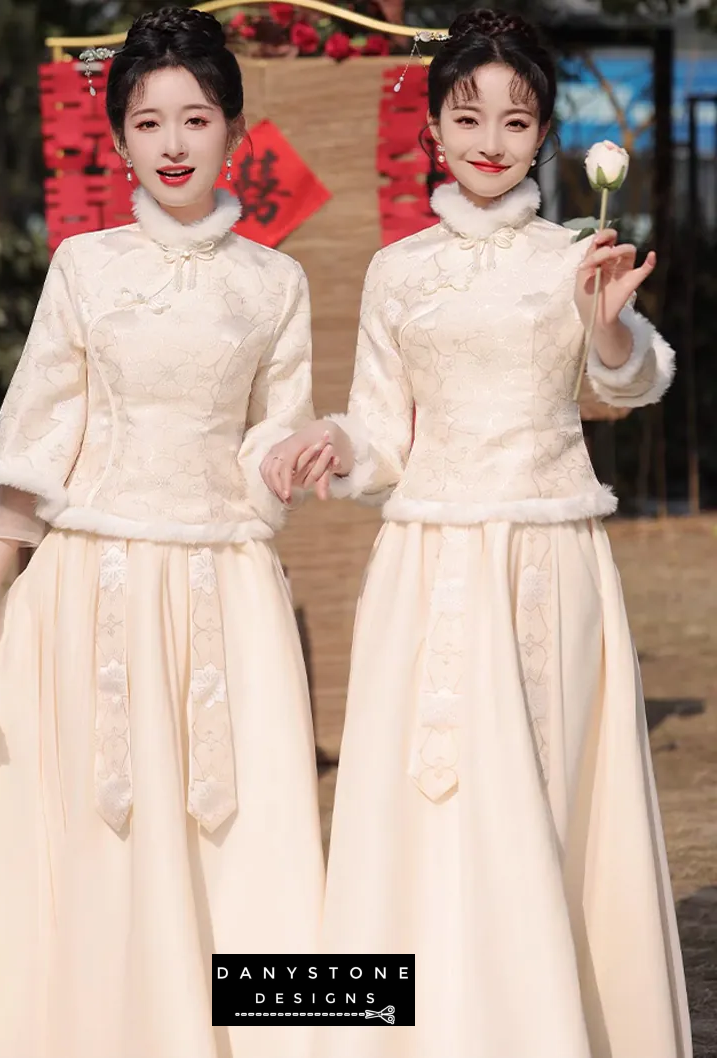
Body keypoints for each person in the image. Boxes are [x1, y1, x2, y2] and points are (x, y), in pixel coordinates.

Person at [266, 10, 691, 1057]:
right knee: (418, 794)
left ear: (545, 133)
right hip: (424, 561)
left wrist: (604, 326)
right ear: (435, 127)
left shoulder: (573, 254)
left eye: (515, 118)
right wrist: (332, 438)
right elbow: (381, 434)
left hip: (546, 555)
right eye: (468, 115)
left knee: (538, 790)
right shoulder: (396, 271)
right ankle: (402, 1031)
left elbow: (624, 384)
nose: (490, 138)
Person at [0, 9, 323, 1058]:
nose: (171, 143)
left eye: (195, 118)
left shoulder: (274, 282)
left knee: (243, 836)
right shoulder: (84, 267)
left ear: (233, 130)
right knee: (103, 835)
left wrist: (292, 458)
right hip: (90, 583)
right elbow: (35, 437)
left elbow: (269, 439)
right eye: (148, 122)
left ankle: (267, 1038)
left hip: (226, 587)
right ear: (116, 140)